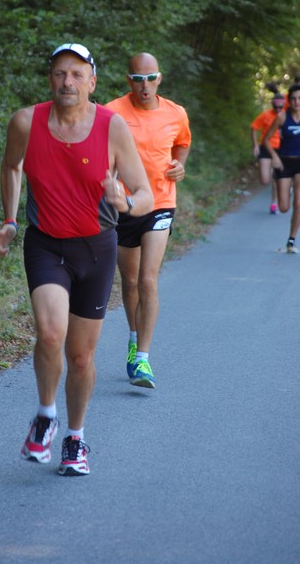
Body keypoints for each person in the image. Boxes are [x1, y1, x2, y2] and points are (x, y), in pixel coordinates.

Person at [0, 43, 153, 476]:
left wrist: (124, 200)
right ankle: (46, 414)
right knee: (49, 334)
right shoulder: (26, 121)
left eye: (77, 74)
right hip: (45, 244)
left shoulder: (112, 127)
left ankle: (76, 439)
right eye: (61, 73)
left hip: (96, 248)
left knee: (80, 357)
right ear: (51, 79)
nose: (68, 82)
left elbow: (146, 196)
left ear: (92, 81)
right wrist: (9, 218)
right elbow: (11, 166)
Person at [106, 53, 191, 389]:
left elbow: (182, 144)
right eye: (138, 79)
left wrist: (179, 166)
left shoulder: (176, 113)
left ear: (160, 78)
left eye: (150, 78)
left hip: (160, 202)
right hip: (124, 205)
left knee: (148, 280)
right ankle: (132, 338)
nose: (144, 85)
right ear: (129, 80)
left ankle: (143, 359)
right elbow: (102, 153)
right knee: (129, 283)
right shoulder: (112, 112)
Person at [263, 83, 300, 253]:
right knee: (283, 207)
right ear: (289, 100)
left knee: (299, 202)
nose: (296, 102)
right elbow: (266, 139)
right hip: (284, 163)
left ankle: (291, 240)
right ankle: (285, 190)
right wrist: (274, 157)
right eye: (293, 98)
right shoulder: (282, 117)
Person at [250, 93, 285, 214]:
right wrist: (255, 145)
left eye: (281, 107)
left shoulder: (286, 115)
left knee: (277, 177)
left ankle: (274, 202)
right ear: (272, 105)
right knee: (265, 180)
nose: (278, 109)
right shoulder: (266, 115)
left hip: (280, 149)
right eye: (276, 107)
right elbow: (254, 128)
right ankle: (271, 172)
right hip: (265, 146)